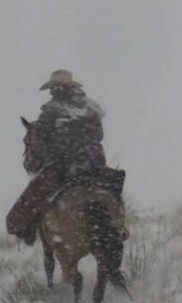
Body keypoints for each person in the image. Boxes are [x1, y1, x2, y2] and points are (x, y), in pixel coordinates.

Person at [6, 70, 124, 245]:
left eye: (52, 88)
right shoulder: (91, 107)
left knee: (26, 204)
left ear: (56, 88)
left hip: (62, 166)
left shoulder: (51, 109)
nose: (51, 92)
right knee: (115, 184)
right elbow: (99, 135)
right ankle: (119, 228)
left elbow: (41, 138)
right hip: (95, 165)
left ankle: (26, 230)